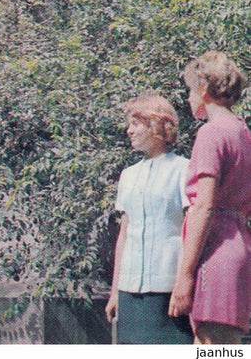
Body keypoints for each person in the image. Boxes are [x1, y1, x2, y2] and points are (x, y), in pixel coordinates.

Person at [169, 51, 251, 344]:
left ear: (203, 90)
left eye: (191, 90)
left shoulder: (211, 133)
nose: (189, 98)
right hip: (239, 244)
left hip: (215, 249)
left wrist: (185, 275)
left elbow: (204, 206)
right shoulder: (243, 132)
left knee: (211, 347)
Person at [105, 93, 193, 344]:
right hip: (129, 290)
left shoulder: (183, 169)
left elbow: (191, 227)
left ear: (155, 125)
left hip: (168, 289)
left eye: (135, 123)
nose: (129, 131)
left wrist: (184, 282)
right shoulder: (128, 175)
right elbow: (124, 234)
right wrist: (115, 291)